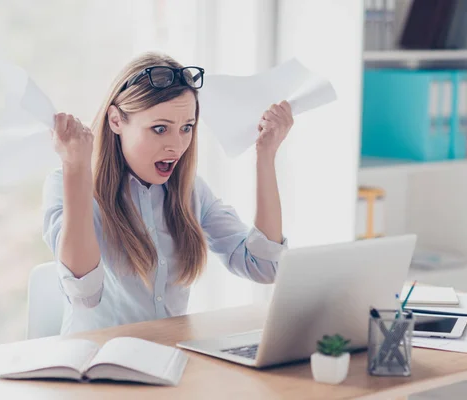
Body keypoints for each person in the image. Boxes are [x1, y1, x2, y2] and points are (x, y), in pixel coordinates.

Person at [42, 52, 294, 334]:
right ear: (116, 121)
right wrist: (75, 168)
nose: (176, 145)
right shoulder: (66, 184)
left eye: (186, 128)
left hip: (168, 361)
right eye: (159, 129)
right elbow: (83, 293)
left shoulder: (190, 191)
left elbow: (264, 266)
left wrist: (266, 155)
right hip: (96, 364)